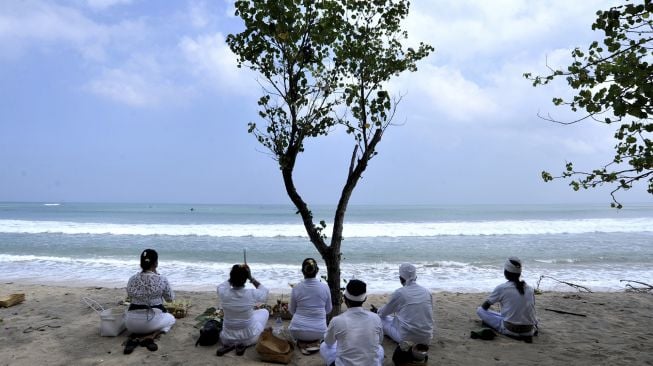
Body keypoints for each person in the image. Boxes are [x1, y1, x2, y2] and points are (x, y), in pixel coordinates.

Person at [320, 279, 384, 366]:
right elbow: (379, 341)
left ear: (345, 299)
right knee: (379, 349)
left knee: (324, 346)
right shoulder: (376, 318)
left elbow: (328, 342)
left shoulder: (337, 320)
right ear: (365, 299)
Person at [124, 249, 176, 353]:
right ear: (156, 263)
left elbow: (129, 296)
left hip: (130, 325)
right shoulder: (161, 279)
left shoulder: (132, 278)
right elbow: (170, 299)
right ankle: (151, 335)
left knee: (128, 314)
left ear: (141, 263)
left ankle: (134, 337)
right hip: (151, 322)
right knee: (171, 319)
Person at [476, 257, 538, 341]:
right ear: (519, 274)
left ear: (506, 273)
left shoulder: (502, 288)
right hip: (529, 331)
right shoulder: (530, 289)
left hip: (510, 330)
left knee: (479, 310)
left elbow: (484, 307)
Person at [216, 264, 269, 356]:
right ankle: (241, 344)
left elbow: (221, 286)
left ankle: (233, 345)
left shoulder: (224, 293)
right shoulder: (251, 294)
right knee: (265, 311)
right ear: (245, 279)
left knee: (251, 314)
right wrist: (251, 278)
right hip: (249, 338)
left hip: (226, 338)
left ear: (231, 278)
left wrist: (234, 276)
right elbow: (265, 291)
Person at [377, 263, 434, 346]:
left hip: (406, 337)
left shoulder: (400, 293)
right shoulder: (426, 292)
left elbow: (383, 313)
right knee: (391, 318)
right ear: (416, 277)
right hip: (427, 337)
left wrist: (377, 311)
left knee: (380, 319)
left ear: (400, 278)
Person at [288, 258, 332, 354]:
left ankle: (302, 342)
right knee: (321, 334)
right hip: (320, 331)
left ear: (302, 271)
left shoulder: (296, 287)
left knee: (295, 331)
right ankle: (315, 342)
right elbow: (328, 310)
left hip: (296, 331)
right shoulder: (325, 287)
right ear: (317, 270)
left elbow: (291, 310)